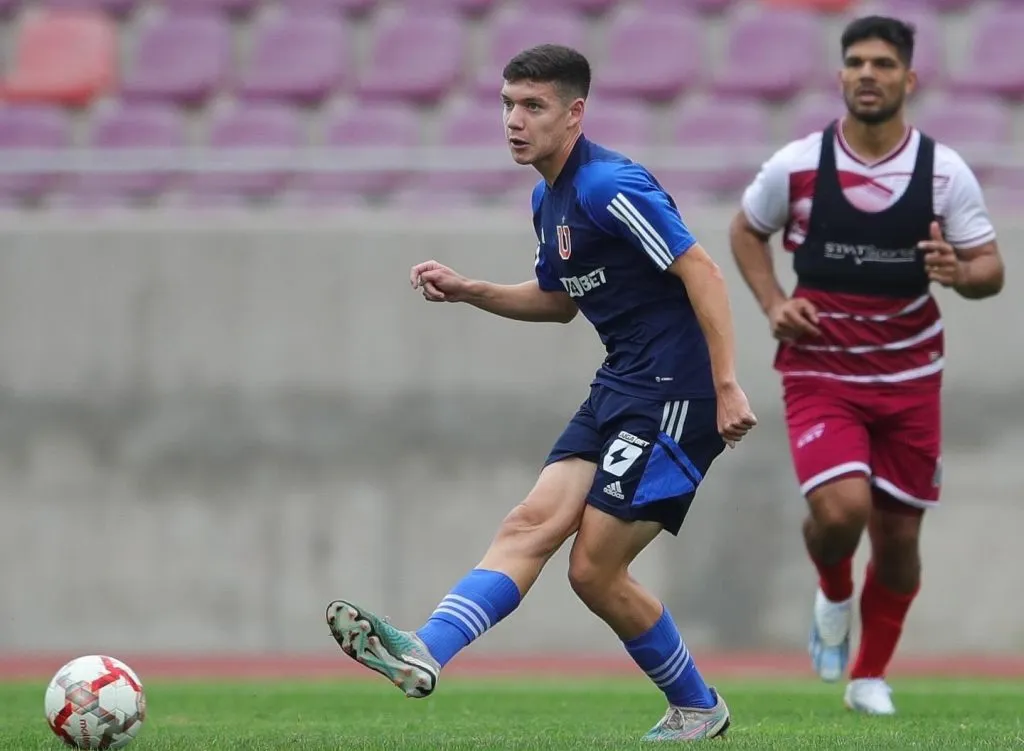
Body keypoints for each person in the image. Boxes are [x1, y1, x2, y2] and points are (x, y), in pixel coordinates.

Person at [324, 43, 757, 741]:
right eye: (506, 105)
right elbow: (558, 302)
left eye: (533, 106)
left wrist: (728, 383)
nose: (514, 121)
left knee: (592, 567)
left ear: (574, 113)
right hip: (620, 385)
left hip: (677, 392)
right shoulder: (546, 198)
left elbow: (700, 269)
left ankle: (700, 706)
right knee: (530, 524)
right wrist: (471, 289)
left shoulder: (610, 187)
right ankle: (426, 646)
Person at [728, 16, 1004, 715]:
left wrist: (960, 272)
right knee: (841, 509)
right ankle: (833, 589)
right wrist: (773, 301)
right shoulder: (796, 165)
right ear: (841, 74)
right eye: (856, 62)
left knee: (901, 539)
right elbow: (744, 229)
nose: (868, 74)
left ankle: (868, 675)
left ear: (909, 79)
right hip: (822, 369)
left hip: (910, 376)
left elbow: (990, 268)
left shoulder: (944, 171)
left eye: (884, 63)